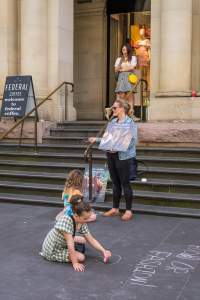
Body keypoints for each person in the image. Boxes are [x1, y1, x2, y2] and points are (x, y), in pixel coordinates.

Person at [89, 99, 137, 221]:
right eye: (112, 108)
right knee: (115, 183)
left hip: (124, 157)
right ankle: (115, 208)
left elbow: (132, 142)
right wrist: (97, 140)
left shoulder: (130, 123)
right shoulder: (113, 122)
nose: (112, 110)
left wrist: (118, 147)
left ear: (122, 109)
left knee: (125, 183)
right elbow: (107, 138)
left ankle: (128, 210)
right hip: (111, 156)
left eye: (115, 108)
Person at [41, 195, 112, 272]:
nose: (88, 220)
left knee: (83, 240)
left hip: (62, 243)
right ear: (76, 215)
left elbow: (91, 239)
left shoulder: (81, 222)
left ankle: (74, 250)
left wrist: (103, 251)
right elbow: (70, 245)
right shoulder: (67, 220)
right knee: (81, 257)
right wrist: (75, 263)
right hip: (52, 249)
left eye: (88, 217)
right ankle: (57, 254)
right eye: (85, 218)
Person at [114, 43, 137, 116]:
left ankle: (131, 112)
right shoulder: (119, 59)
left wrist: (122, 69)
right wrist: (124, 68)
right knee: (121, 95)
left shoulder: (133, 58)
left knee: (130, 95)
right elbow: (116, 69)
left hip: (129, 77)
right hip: (121, 78)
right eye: (123, 49)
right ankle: (122, 112)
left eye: (125, 49)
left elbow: (132, 67)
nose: (124, 51)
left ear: (128, 50)